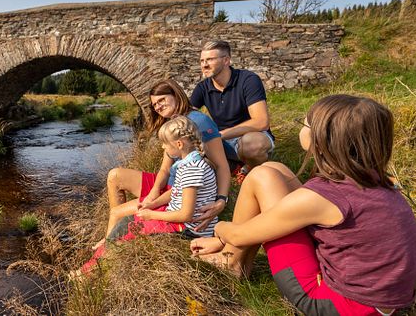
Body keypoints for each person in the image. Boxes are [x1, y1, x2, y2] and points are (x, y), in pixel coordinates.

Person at [191, 94, 416, 315]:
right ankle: (233, 258)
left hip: (341, 306)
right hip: (384, 299)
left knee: (260, 176)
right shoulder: (378, 181)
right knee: (275, 170)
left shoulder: (324, 196)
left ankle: (231, 262)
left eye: (305, 123)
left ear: (322, 141)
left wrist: (220, 230)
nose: (302, 127)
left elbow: (240, 235)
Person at [82, 115, 218, 273]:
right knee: (125, 221)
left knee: (125, 234)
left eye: (165, 144)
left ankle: (90, 271)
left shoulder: (191, 169)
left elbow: (186, 215)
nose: (162, 148)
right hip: (178, 221)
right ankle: (97, 261)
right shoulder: (190, 163)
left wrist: (152, 215)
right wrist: (153, 204)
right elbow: (176, 191)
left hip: (188, 231)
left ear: (179, 144)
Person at [106, 80, 231, 234]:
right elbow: (165, 169)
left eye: (161, 100)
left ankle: (110, 242)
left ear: (176, 94)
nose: (158, 107)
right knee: (115, 175)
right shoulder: (171, 122)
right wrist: (154, 191)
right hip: (170, 187)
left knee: (117, 213)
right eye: (154, 104)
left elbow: (221, 165)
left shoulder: (200, 121)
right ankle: (112, 234)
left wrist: (221, 200)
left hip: (180, 191)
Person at [190, 41, 274, 172]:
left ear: (226, 61)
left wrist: (218, 135)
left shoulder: (248, 80)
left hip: (251, 135)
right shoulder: (202, 87)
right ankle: (234, 167)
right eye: (202, 61)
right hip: (221, 141)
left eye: (210, 60)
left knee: (252, 145)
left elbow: (261, 122)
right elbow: (187, 116)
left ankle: (251, 168)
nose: (204, 65)